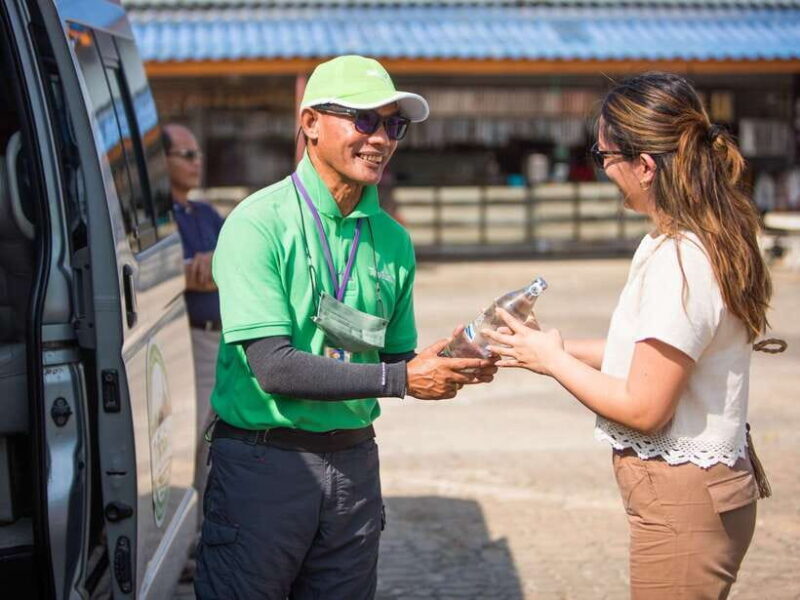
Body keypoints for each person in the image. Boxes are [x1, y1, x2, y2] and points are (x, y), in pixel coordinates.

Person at [194, 55, 497, 599]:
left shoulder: (393, 241)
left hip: (355, 463)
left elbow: (390, 362)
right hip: (265, 465)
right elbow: (273, 367)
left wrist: (449, 359)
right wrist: (401, 381)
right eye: (364, 120)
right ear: (309, 123)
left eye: (393, 125)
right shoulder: (257, 224)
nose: (381, 138)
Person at [484, 73, 772, 599]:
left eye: (604, 157)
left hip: (683, 498)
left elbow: (644, 407)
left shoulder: (681, 258)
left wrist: (552, 361)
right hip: (700, 492)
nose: (603, 171)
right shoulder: (696, 238)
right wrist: (547, 346)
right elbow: (653, 357)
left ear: (644, 165)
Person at [163, 123, 223, 497]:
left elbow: (239, 264)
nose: (195, 162)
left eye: (198, 154)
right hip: (188, 340)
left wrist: (214, 267)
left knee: (218, 441)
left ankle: (204, 530)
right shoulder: (155, 216)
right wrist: (202, 271)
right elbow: (179, 276)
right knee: (191, 439)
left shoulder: (205, 213)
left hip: (224, 339)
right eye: (186, 155)